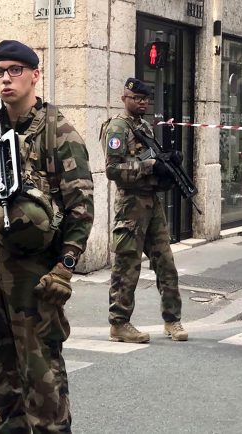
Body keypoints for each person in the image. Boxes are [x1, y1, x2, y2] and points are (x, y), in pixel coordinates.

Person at [0, 40, 94, 433]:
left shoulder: (57, 132)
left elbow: (81, 207)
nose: (6, 79)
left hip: (33, 269)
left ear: (34, 75)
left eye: (15, 71)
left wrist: (65, 268)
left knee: (40, 370)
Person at [102, 78, 189, 344]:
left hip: (152, 203)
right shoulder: (118, 127)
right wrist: (149, 166)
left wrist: (167, 163)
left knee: (166, 263)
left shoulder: (143, 127)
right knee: (127, 265)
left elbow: (153, 158)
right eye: (137, 98)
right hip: (131, 205)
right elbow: (112, 170)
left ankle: (172, 320)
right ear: (124, 97)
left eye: (145, 99)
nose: (142, 103)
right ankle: (119, 323)